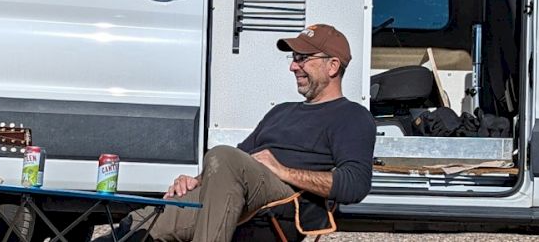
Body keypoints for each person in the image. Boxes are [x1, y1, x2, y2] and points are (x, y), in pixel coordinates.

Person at [115, 24, 377, 242]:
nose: (293, 67)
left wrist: (283, 172)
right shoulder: (281, 111)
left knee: (223, 156)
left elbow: (355, 185)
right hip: (238, 196)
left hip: (281, 201)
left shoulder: (352, 117)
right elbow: (235, 162)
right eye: (294, 58)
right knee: (142, 222)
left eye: (303, 59)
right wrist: (198, 179)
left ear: (332, 66)